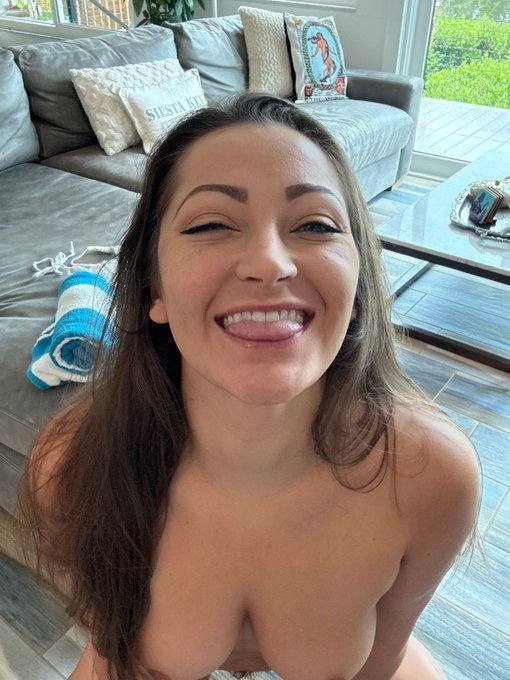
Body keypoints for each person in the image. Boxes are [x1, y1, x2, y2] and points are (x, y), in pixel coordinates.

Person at [16, 91, 482, 680]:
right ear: (155, 289)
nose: (269, 262)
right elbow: (113, 652)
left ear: (358, 285)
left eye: (315, 224)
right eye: (211, 224)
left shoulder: (431, 475)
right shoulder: (72, 467)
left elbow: (382, 660)